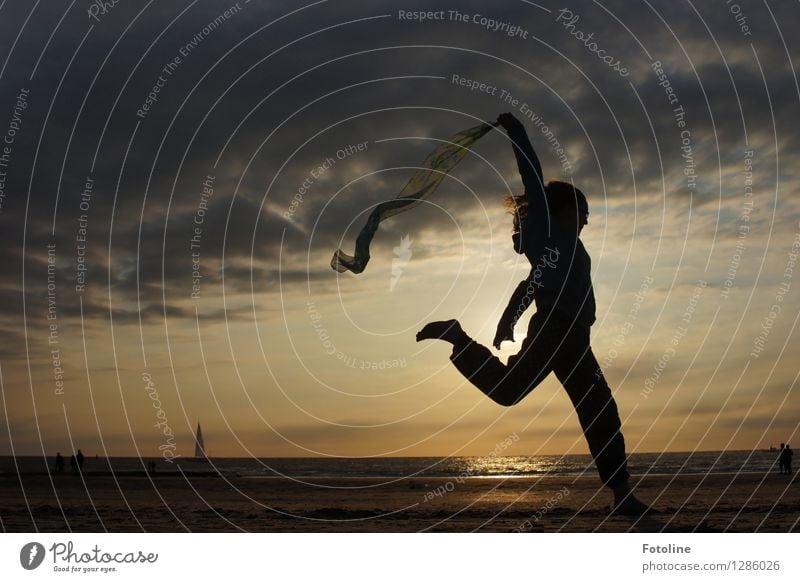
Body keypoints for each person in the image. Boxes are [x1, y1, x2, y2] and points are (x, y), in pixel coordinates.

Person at [417, 112, 649, 515]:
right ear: (561, 211)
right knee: (517, 393)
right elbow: (532, 178)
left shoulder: (570, 248)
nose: (589, 219)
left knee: (597, 409)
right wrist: (517, 131)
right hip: (556, 331)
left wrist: (510, 318)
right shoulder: (550, 232)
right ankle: (458, 338)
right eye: (583, 210)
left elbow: (533, 285)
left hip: (575, 337)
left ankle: (622, 496)